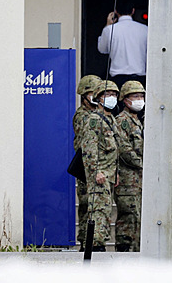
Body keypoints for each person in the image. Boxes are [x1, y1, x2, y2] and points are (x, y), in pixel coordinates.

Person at [81, 80, 124, 252]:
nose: (111, 98)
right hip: (99, 174)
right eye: (107, 95)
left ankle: (100, 243)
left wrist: (116, 173)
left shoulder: (111, 119)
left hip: (110, 173)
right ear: (98, 98)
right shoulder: (94, 119)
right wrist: (95, 171)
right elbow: (89, 148)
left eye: (114, 94)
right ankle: (95, 245)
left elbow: (115, 150)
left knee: (105, 211)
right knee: (98, 211)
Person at [114, 81, 146, 252]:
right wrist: (144, 164)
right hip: (128, 181)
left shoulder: (137, 121)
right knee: (128, 219)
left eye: (141, 96)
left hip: (138, 181)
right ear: (125, 100)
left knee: (137, 219)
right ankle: (124, 253)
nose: (140, 99)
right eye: (135, 96)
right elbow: (125, 150)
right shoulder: (122, 121)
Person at [72, 74, 101, 251]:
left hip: (91, 164)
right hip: (85, 166)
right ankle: (85, 241)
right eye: (92, 93)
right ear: (84, 95)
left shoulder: (94, 114)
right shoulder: (83, 116)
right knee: (86, 204)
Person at [97, 2, 148, 90]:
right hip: (140, 77)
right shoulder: (145, 29)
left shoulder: (109, 30)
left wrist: (108, 25)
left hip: (118, 78)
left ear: (116, 12)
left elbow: (102, 49)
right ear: (133, 11)